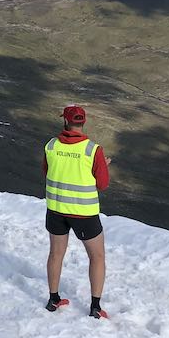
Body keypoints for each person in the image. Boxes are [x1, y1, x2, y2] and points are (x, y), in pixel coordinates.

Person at [43, 104, 111, 319]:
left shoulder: (51, 146)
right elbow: (102, 184)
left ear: (65, 121)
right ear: (83, 122)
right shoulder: (93, 150)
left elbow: (47, 171)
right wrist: (103, 166)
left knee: (55, 254)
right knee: (97, 257)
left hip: (55, 210)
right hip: (84, 214)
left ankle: (53, 299)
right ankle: (95, 308)